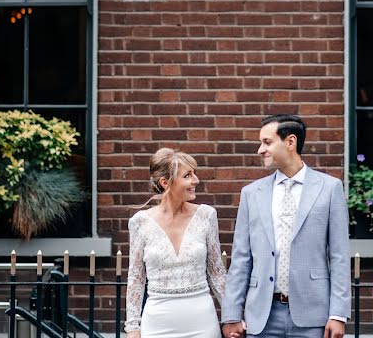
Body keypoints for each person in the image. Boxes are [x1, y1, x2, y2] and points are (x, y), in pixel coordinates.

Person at [221, 114, 350, 338]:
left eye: (267, 142)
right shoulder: (251, 193)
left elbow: (340, 256)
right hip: (262, 317)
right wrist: (231, 315)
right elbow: (241, 258)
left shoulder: (330, 188)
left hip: (313, 316)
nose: (260, 150)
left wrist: (338, 314)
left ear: (290, 142)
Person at [125, 148, 239, 338]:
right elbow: (136, 278)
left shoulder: (206, 215)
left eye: (194, 173)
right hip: (157, 323)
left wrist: (232, 318)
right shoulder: (140, 222)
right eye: (188, 175)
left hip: (202, 321)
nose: (196, 180)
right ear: (165, 182)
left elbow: (217, 273)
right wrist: (133, 328)